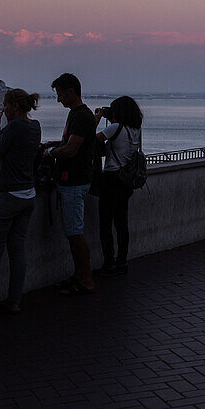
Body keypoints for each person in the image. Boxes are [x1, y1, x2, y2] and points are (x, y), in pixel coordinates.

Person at [0, 88, 41, 321]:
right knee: (17, 249)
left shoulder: (13, 127)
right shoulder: (35, 127)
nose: (3, 109)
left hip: (7, 196)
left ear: (13, 105)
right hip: (28, 194)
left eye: (5, 104)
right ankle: (14, 302)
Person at [45, 73, 97, 295]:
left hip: (74, 182)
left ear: (70, 91)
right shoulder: (79, 115)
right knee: (73, 231)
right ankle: (79, 276)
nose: (58, 100)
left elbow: (71, 149)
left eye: (60, 94)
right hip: (74, 181)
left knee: (75, 232)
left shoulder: (81, 116)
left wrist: (50, 152)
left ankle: (86, 280)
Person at [94, 96, 144, 275]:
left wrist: (97, 119)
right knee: (122, 223)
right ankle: (122, 261)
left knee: (106, 223)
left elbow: (91, 140)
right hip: (126, 180)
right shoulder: (135, 129)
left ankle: (109, 262)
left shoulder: (115, 127)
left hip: (111, 178)